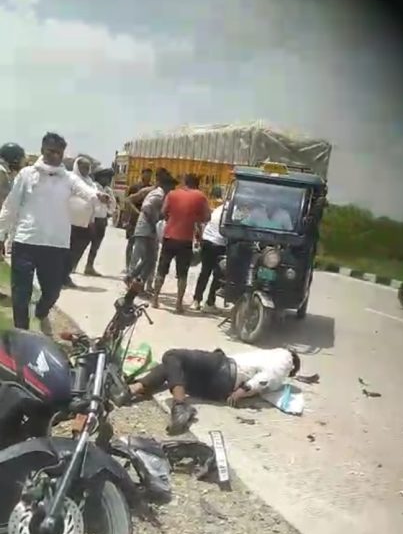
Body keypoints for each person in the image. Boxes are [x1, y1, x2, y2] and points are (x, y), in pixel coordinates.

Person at [0, 132, 95, 334]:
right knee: (20, 294)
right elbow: (10, 206)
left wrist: (99, 197)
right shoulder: (26, 175)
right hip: (25, 242)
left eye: (59, 153)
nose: (55, 156)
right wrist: (1, 235)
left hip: (55, 246)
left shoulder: (69, 179)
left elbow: (87, 192)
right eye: (51, 151)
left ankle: (40, 312)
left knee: (52, 293)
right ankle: (22, 334)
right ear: (42, 150)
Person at [129, 345, 301, 434]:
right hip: (218, 388)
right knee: (173, 369)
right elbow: (266, 380)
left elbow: (266, 377)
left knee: (172, 356)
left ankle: (180, 406)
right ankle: (133, 390)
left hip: (224, 369)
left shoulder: (285, 358)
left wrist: (243, 390)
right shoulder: (278, 381)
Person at [152, 173, 210, 314]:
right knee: (182, 274)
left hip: (169, 236)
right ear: (197, 184)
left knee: (161, 269)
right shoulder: (201, 196)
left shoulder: (172, 194)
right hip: (186, 240)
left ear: (185, 182)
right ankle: (178, 304)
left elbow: (163, 212)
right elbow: (207, 217)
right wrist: (194, 217)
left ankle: (155, 299)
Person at [128, 169, 175, 290]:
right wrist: (152, 220)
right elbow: (146, 206)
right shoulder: (157, 193)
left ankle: (139, 281)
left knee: (150, 259)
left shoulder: (162, 194)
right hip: (145, 229)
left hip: (150, 230)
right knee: (141, 257)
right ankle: (132, 280)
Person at [64, 156, 96, 288]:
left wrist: (92, 220)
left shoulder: (91, 183)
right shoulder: (69, 179)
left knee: (77, 250)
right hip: (68, 222)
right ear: (77, 166)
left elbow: (94, 202)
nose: (86, 170)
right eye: (83, 167)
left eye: (88, 167)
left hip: (85, 223)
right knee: (66, 250)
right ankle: (60, 276)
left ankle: (66, 274)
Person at [192, 186, 226, 312]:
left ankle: (196, 300)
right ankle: (210, 303)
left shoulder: (220, 208)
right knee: (218, 274)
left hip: (207, 241)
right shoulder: (233, 211)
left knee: (205, 272)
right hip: (220, 244)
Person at [83, 168, 116, 277]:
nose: (107, 180)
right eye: (105, 177)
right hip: (91, 218)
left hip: (102, 219)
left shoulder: (108, 190)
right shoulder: (93, 186)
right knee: (83, 243)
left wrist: (109, 208)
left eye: (109, 178)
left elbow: (113, 205)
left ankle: (89, 266)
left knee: (96, 245)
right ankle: (72, 265)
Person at [123, 169, 153, 271]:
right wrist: (127, 218)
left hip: (145, 219)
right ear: (142, 175)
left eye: (149, 175)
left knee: (142, 245)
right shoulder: (135, 187)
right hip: (134, 218)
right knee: (131, 242)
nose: (148, 177)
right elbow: (127, 202)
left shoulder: (151, 189)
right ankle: (128, 265)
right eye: (146, 175)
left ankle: (137, 267)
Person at [0, 143, 26, 211]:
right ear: (14, 159)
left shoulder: (8, 172)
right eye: (21, 159)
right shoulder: (1, 172)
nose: (22, 163)